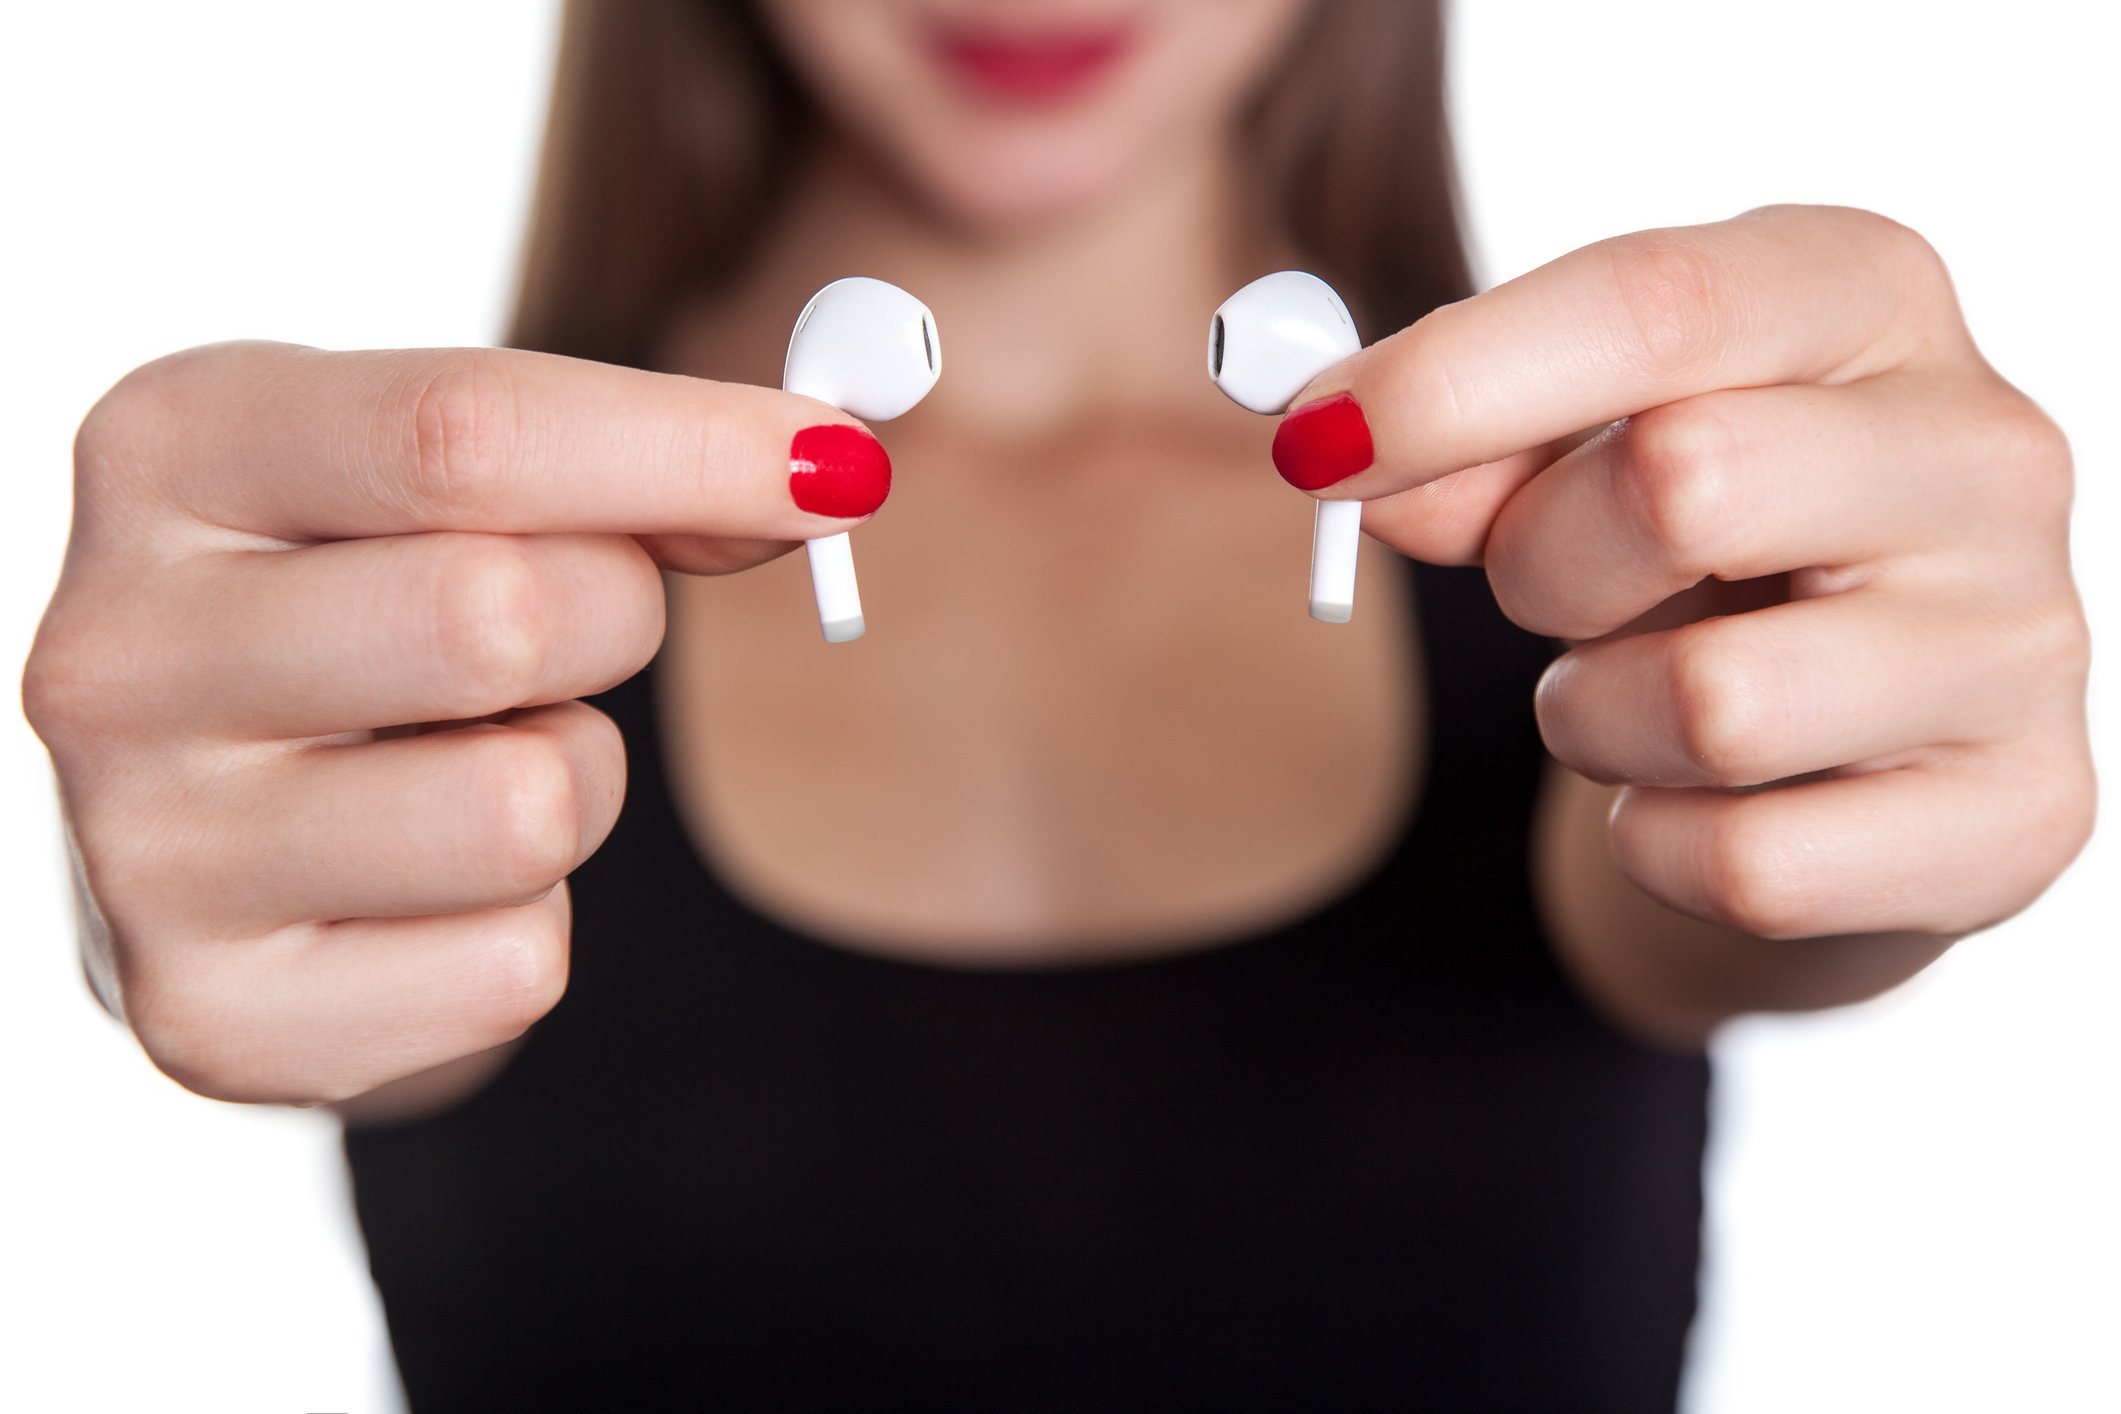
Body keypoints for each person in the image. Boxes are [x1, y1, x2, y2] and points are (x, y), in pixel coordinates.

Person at [19, 0, 2094, 1407]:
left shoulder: (1600, 563)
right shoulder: (443, 635)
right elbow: (355, 991)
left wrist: (1860, 780)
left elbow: (1715, 884)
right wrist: (168, 935)